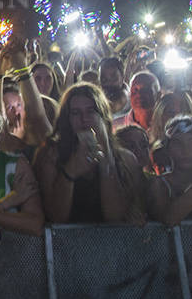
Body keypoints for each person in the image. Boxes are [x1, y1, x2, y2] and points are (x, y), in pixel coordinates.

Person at [33, 83, 142, 224]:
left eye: (91, 111)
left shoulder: (126, 159)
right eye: (76, 113)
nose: (84, 119)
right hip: (64, 242)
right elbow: (57, 217)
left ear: (102, 116)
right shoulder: (50, 155)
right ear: (67, 118)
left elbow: (114, 215)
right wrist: (70, 171)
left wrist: (106, 155)